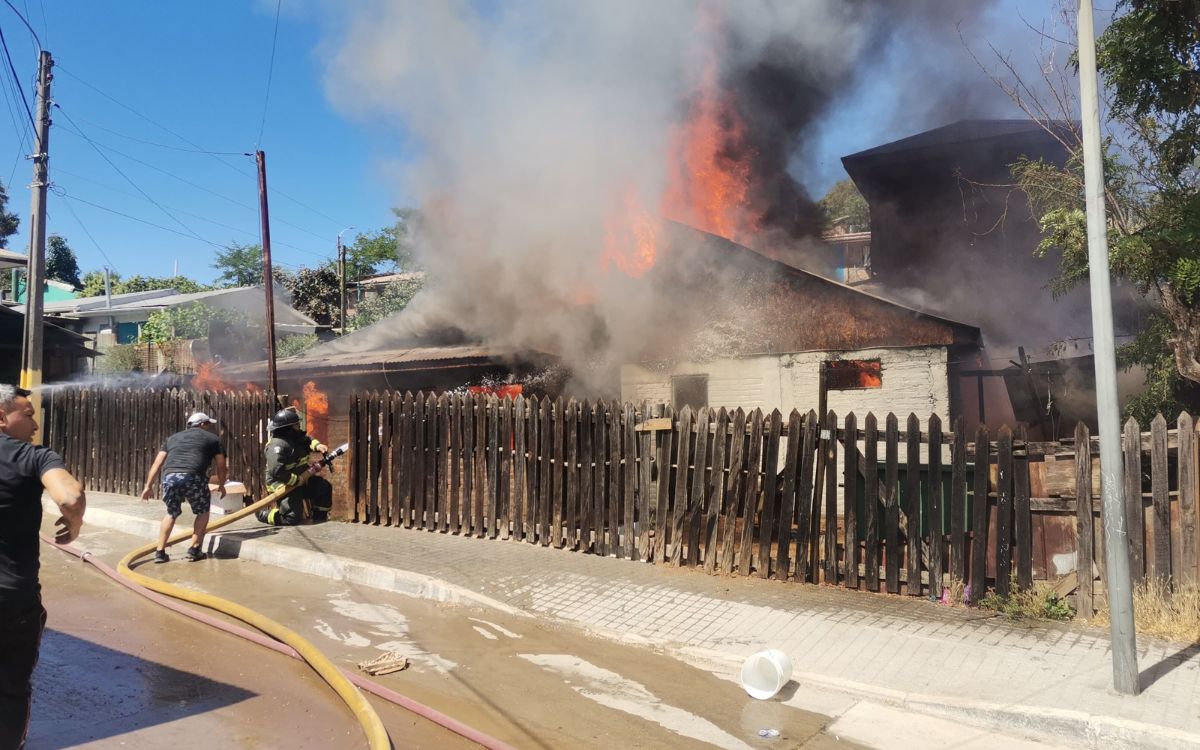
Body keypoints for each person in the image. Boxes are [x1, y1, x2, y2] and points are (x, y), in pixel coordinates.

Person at [0, 384, 86, 749]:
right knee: (10, 689)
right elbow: (70, 495)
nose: (35, 425)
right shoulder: (33, 456)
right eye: (28, 414)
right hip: (13, 601)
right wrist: (76, 523)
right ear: (2, 417)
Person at [140, 411, 227, 563]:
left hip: (170, 477)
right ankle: (194, 549)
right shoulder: (213, 439)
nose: (209, 427)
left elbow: (157, 463)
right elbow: (221, 465)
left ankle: (160, 552)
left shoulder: (172, 439)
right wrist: (221, 484)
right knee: (203, 512)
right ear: (201, 424)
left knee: (171, 513)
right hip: (193, 477)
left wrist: (148, 486)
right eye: (207, 424)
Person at [256, 406, 331, 526]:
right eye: (296, 424)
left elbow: (308, 440)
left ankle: (319, 519)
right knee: (291, 519)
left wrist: (317, 446)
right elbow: (277, 471)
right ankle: (263, 514)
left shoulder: (296, 438)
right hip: (283, 484)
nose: (298, 426)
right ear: (288, 428)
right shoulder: (277, 445)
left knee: (323, 487)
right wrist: (296, 481)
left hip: (302, 479)